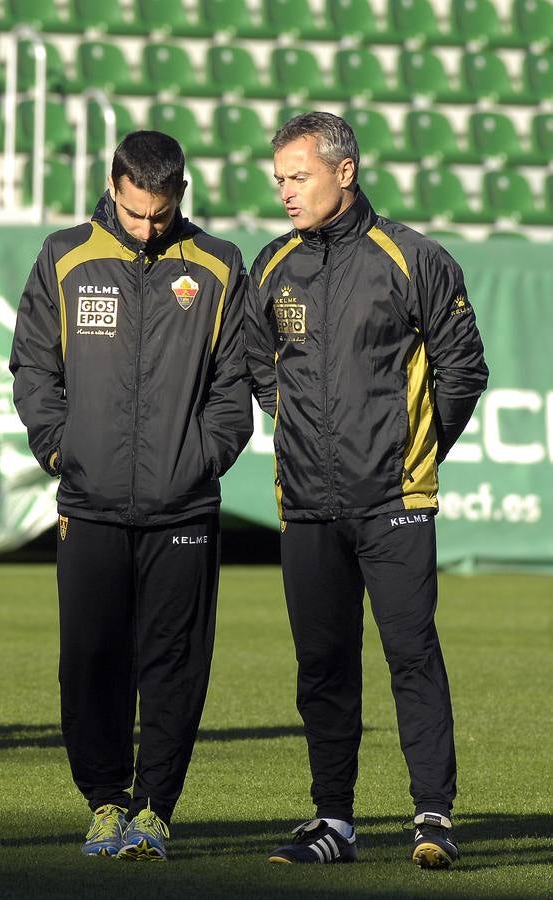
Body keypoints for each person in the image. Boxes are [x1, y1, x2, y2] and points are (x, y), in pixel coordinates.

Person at [245, 112, 488, 869]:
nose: (284, 191)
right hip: (309, 503)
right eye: (278, 177)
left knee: (411, 653)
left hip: (396, 500)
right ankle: (334, 824)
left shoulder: (413, 257)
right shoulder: (271, 265)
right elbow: (260, 368)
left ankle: (433, 817)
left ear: (344, 172)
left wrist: (416, 451)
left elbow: (464, 369)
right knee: (321, 664)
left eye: (297, 176)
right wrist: (300, 438)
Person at [10, 130, 252, 861]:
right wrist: (60, 447)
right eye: (136, 211)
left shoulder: (217, 265)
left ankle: (155, 809)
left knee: (174, 664)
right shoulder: (64, 257)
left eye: (161, 212)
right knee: (89, 660)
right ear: (113, 186)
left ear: (181, 192)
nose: (148, 227)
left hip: (184, 508)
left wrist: (203, 459)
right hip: (87, 502)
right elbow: (31, 367)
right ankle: (105, 804)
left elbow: (233, 386)